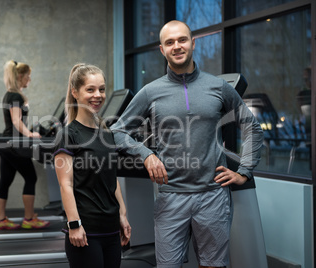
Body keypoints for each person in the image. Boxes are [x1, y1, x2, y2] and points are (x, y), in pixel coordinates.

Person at [111, 21, 264, 268]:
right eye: (169, 42)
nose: (177, 46)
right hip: (171, 196)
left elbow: (252, 129)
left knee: (213, 265)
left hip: (213, 195)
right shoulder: (151, 92)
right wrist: (146, 154)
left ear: (193, 43)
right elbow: (117, 131)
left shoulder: (218, 87)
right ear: (162, 50)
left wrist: (244, 172)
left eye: (182, 40)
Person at [53, 63, 132, 268]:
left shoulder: (107, 134)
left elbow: (111, 180)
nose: (98, 95)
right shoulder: (68, 134)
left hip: (111, 229)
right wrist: (74, 225)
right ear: (75, 92)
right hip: (86, 231)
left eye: (102, 89)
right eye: (90, 89)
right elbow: (66, 185)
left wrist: (122, 216)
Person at [0, 60, 49, 230]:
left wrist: (29, 129)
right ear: (20, 76)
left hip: (7, 144)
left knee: (6, 180)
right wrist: (30, 134)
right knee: (31, 177)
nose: (29, 80)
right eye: (28, 77)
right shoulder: (16, 96)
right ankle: (29, 219)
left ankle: (0, 219)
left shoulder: (9, 94)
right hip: (13, 145)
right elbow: (16, 121)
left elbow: (14, 121)